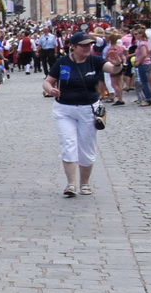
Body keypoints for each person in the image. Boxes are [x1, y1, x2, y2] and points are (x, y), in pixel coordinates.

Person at [44, 33, 117, 197]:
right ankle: (71, 184)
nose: (87, 48)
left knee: (86, 147)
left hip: (88, 109)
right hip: (64, 109)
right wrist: (50, 90)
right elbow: (48, 81)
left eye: (89, 45)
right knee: (68, 144)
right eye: (83, 45)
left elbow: (113, 69)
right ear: (73, 47)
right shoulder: (63, 62)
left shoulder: (95, 61)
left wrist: (118, 63)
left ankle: (85, 183)